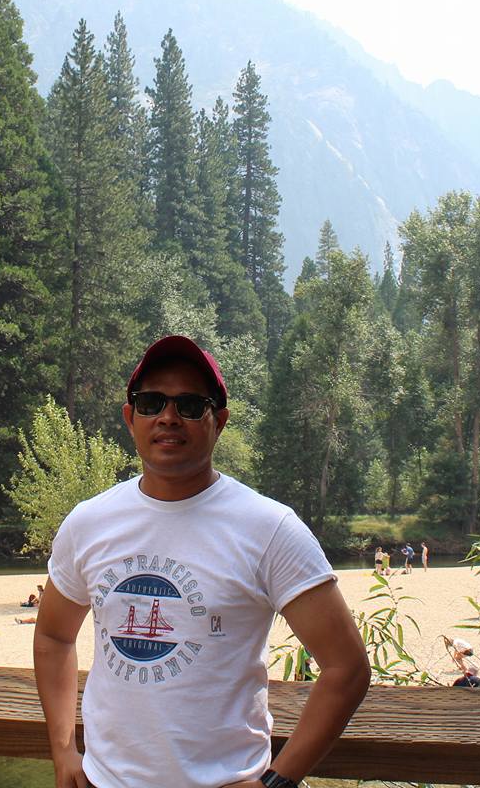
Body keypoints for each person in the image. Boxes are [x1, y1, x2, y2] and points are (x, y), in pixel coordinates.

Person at [34, 335, 371, 788]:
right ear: (130, 417)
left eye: (191, 405)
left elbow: (346, 668)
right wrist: (63, 750)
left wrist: (276, 782)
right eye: (151, 402)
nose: (168, 417)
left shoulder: (269, 529)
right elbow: (54, 636)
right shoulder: (89, 523)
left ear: (220, 422)